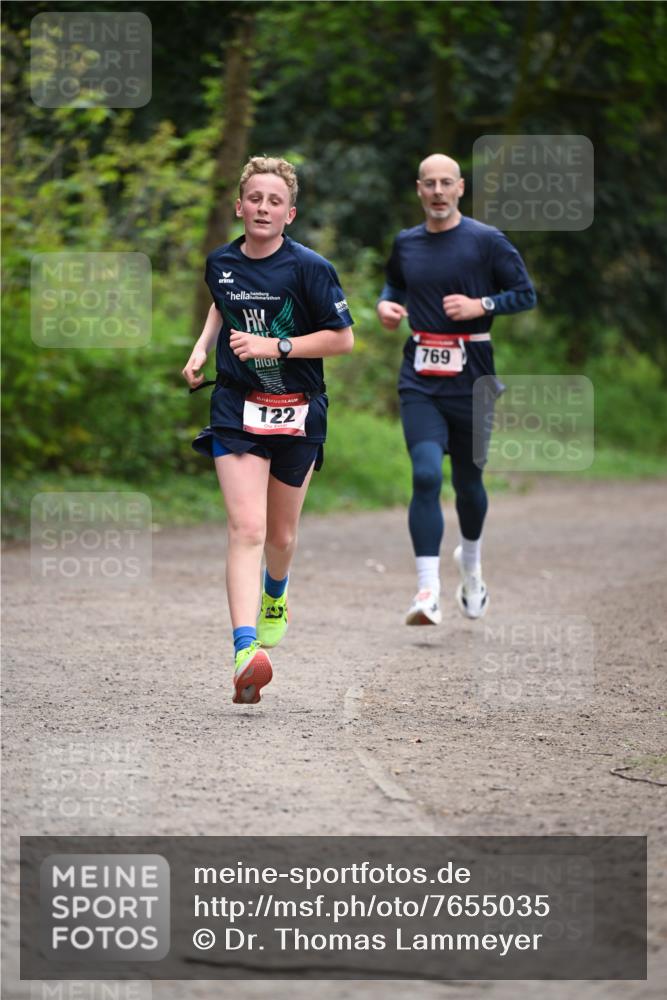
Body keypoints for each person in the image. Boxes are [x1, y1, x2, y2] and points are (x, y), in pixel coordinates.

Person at [182, 156, 354, 704]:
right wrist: (202, 347)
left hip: (297, 409)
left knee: (280, 538)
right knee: (247, 529)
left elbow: (342, 339)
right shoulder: (221, 261)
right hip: (236, 407)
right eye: (254, 198)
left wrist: (275, 345)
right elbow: (222, 301)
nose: (262, 208)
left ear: (290, 214)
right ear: (239, 206)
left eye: (274, 201)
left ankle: (274, 595)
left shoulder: (310, 269)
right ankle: (243, 649)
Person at [377, 153, 536, 625]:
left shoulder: (487, 241)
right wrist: (387, 307)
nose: (439, 192)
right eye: (430, 184)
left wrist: (480, 303)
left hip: (474, 377)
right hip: (420, 376)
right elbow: (393, 285)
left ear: (461, 188)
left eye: (447, 183)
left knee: (468, 483)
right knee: (425, 475)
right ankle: (427, 590)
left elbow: (525, 293)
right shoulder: (406, 243)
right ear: (419, 189)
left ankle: (471, 566)